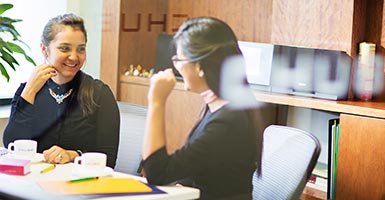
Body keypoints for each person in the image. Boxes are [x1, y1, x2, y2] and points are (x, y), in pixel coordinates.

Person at [140, 17, 263, 199]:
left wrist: (157, 101)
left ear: (199, 67)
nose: (176, 67)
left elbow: (156, 173)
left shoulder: (227, 123)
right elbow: (201, 167)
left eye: (178, 60)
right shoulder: (219, 108)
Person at [2, 13, 120, 168]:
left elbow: (108, 160)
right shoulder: (28, 90)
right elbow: (11, 144)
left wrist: (73, 155)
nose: (74, 57)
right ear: (45, 50)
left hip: (80, 184)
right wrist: (30, 91)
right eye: (65, 48)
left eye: (81, 49)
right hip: (34, 181)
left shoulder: (99, 93)